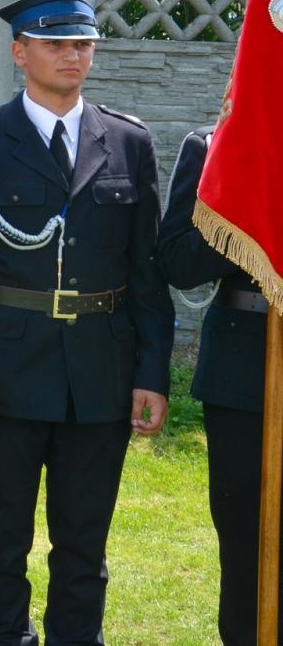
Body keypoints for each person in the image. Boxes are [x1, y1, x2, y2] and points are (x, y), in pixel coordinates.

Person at [0, 0, 173, 645]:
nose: (73, 55)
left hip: (101, 370)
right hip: (5, 371)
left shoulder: (128, 142)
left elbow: (147, 275)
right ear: (19, 51)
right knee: (1, 539)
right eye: (57, 42)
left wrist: (152, 373)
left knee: (85, 543)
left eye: (84, 44)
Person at [159, 124, 279, 644]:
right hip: (244, 367)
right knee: (245, 537)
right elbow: (178, 262)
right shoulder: (214, 147)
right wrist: (249, 220)